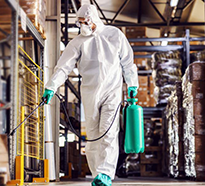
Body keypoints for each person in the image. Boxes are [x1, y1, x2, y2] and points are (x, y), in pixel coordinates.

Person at [43, 4, 138, 186]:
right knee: (93, 135)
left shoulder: (114, 35)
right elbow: (63, 67)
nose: (81, 26)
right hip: (90, 92)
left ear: (92, 20)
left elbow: (127, 62)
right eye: (79, 23)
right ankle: (97, 175)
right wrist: (51, 87)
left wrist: (132, 84)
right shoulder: (78, 42)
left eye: (83, 22)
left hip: (112, 91)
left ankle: (106, 173)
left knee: (109, 132)